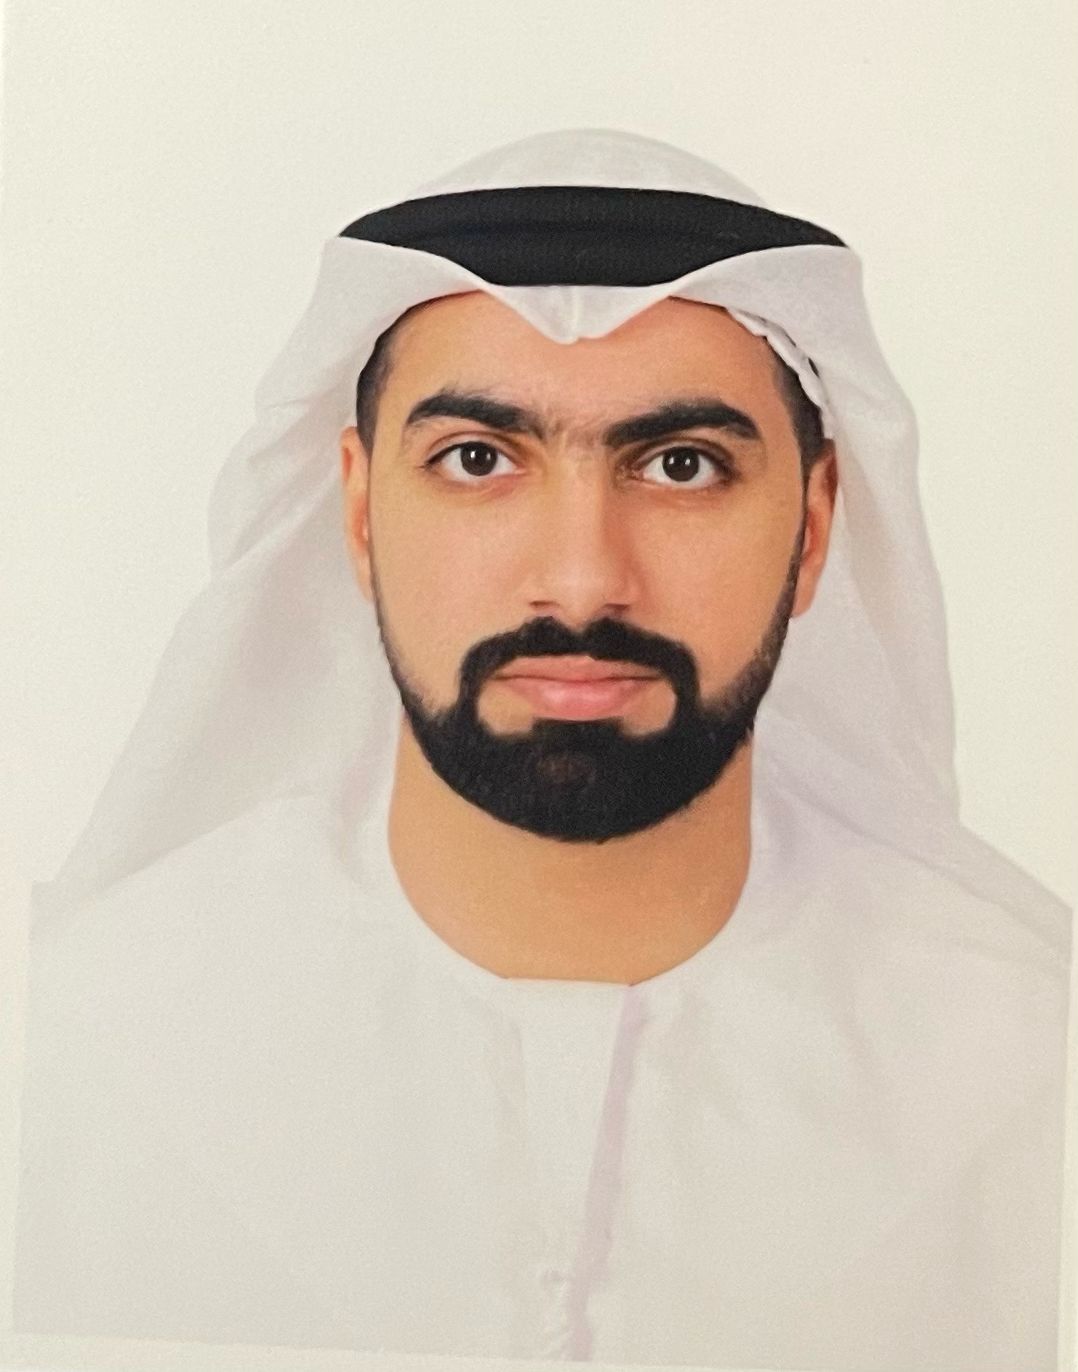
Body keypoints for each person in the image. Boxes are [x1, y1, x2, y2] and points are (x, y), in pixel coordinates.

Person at [12, 129, 1070, 1371]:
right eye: (477, 459)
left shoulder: (1027, 1060)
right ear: (359, 509)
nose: (580, 579)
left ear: (813, 523)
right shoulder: (80, 1042)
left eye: (681, 465)